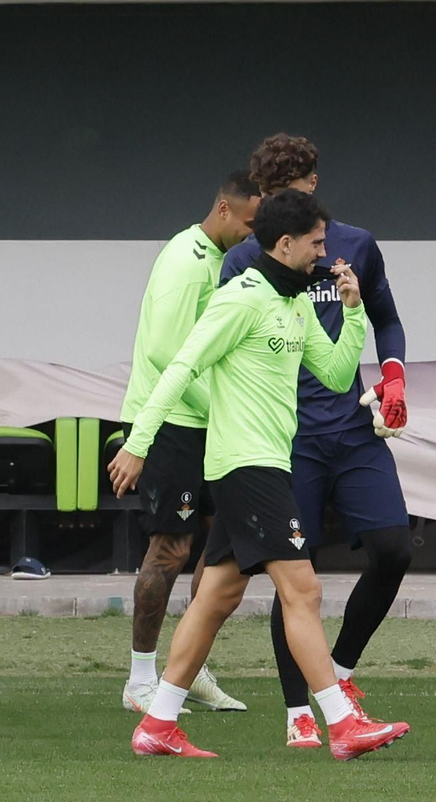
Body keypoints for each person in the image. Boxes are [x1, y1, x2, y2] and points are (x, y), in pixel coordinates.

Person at [109, 189, 408, 761]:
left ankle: (159, 723)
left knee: (216, 596)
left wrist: (352, 312)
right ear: (286, 244)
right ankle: (341, 722)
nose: (325, 253)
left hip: (269, 460)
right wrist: (138, 444)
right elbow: (180, 367)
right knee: (304, 589)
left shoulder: (295, 301)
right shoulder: (241, 298)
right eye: (316, 243)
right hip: (245, 465)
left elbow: (336, 372)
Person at [220, 134, 413, 748]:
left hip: (352, 430)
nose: (286, 205)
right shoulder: (243, 260)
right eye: (272, 194)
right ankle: (297, 710)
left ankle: (342, 672)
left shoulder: (352, 245)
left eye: (295, 190)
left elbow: (385, 317)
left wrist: (392, 376)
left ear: (313, 185)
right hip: (286, 439)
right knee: (293, 579)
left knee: (394, 549)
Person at [118, 173, 260, 714]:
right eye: (248, 224)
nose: (252, 235)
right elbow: (164, 352)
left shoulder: (224, 261)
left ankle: (189, 667)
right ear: (223, 209)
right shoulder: (185, 258)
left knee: (221, 547)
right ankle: (139, 680)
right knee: (172, 549)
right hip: (170, 422)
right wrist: (220, 407)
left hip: (206, 426)